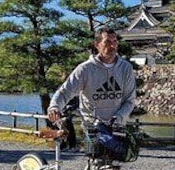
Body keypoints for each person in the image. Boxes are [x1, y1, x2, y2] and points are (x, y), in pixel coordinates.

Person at [48, 27, 136, 158]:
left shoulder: (125, 68)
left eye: (115, 42)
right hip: (93, 126)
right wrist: (55, 106)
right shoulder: (85, 69)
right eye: (107, 42)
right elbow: (66, 91)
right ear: (97, 45)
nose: (112, 46)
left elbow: (130, 100)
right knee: (98, 163)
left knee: (113, 168)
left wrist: (119, 117)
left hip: (116, 127)